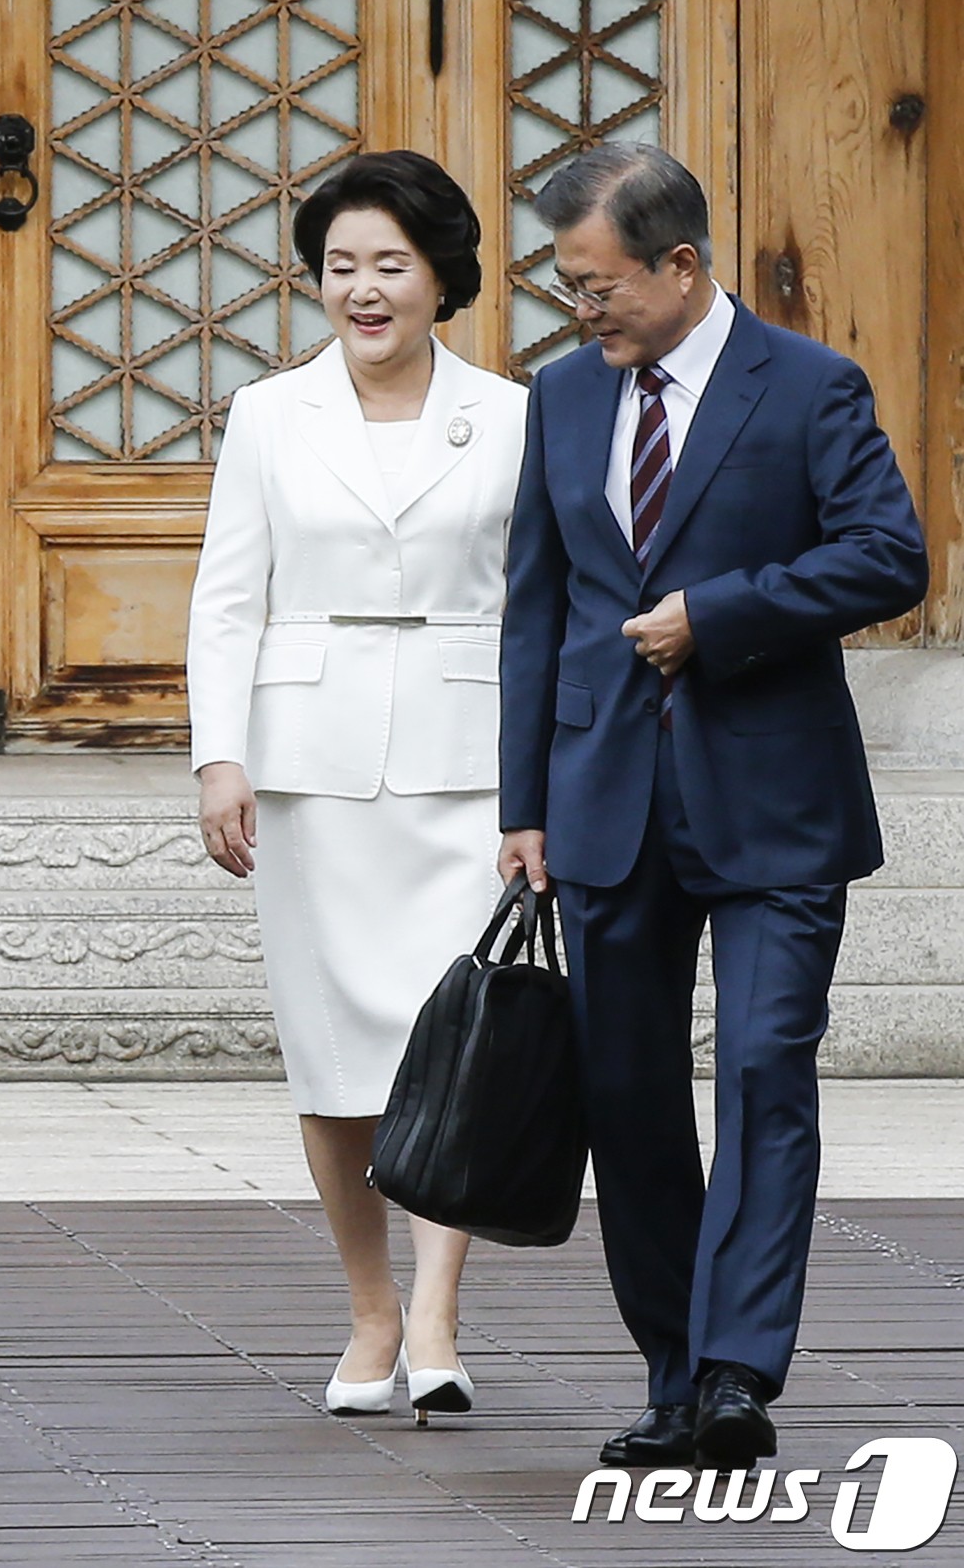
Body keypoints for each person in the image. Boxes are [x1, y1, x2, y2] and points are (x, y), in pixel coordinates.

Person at [498, 142, 929, 1469]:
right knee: (625, 1093)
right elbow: (537, 608)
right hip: (603, 801)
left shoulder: (810, 386)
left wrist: (722, 617)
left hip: (775, 802)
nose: (582, 310)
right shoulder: (562, 397)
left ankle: (740, 1371)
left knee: (760, 1071)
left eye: (597, 284)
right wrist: (524, 806)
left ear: (680, 267)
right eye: (569, 287)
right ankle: (675, 1369)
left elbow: (890, 554)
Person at [187, 151, 527, 1423]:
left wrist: (538, 777)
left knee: (461, 1043)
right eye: (340, 268)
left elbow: (535, 606)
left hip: (466, 760)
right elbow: (228, 597)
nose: (363, 291)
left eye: (389, 265)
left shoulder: (511, 414)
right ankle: (369, 1307)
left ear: (441, 276)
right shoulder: (269, 414)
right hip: (309, 770)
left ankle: (438, 1310)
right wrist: (219, 754)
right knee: (334, 1059)